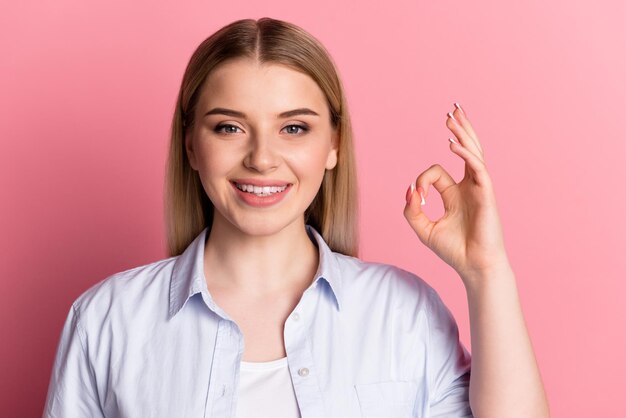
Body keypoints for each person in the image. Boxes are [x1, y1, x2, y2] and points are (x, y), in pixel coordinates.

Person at [43, 17, 549, 418]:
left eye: (294, 129)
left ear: (334, 145)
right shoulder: (106, 321)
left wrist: (487, 272)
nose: (262, 159)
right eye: (228, 128)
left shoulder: (404, 314)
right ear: (191, 145)